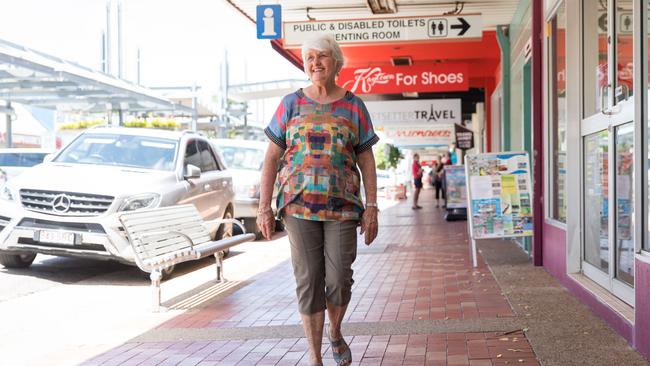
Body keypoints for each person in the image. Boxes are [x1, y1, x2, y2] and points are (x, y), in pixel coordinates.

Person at [256, 34, 379, 366]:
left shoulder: (354, 105)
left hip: (342, 207)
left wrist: (372, 206)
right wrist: (264, 207)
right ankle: (314, 357)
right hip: (297, 206)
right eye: (309, 58)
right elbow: (270, 159)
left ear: (336, 62)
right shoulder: (290, 104)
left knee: (339, 279)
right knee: (308, 280)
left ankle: (335, 332)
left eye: (322, 57)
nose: (315, 64)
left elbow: (366, 159)